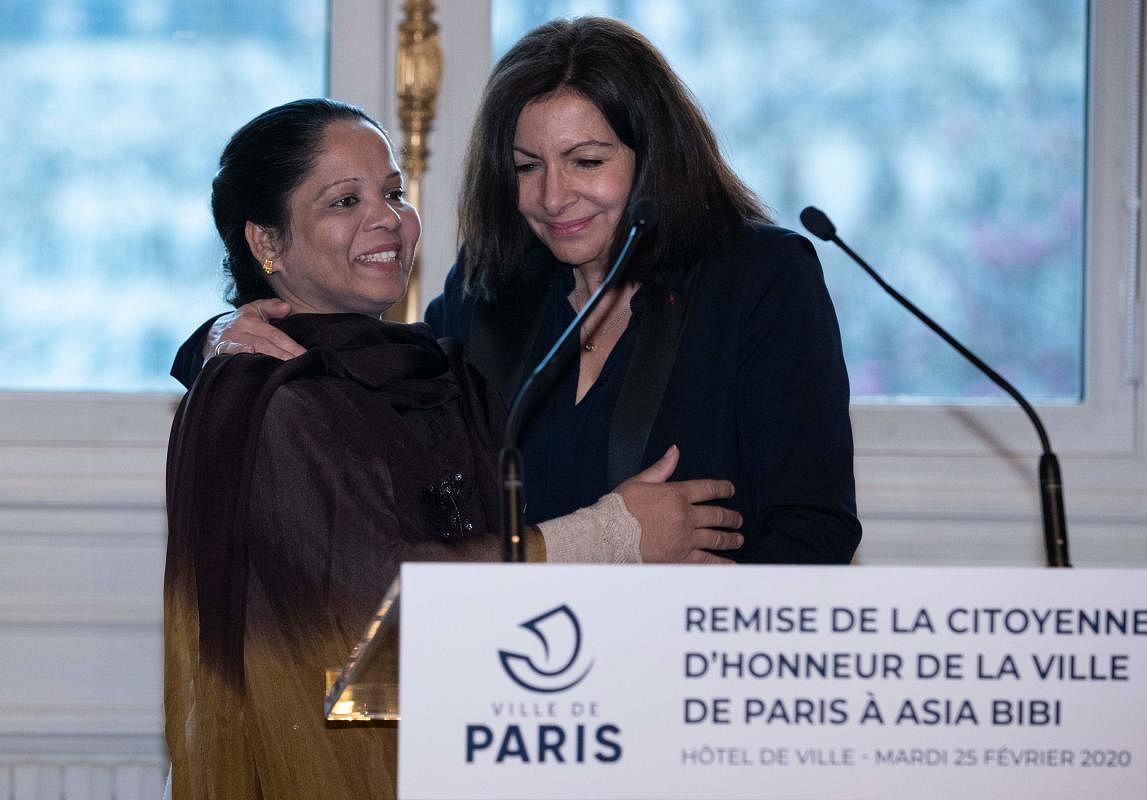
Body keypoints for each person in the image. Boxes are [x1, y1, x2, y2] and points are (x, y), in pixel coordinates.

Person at [165, 98, 742, 799]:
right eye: (344, 200)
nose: (387, 219)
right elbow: (384, 614)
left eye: (393, 193)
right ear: (267, 243)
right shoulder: (276, 399)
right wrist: (615, 533)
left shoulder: (423, 364)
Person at [174, 16, 861, 565]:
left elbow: (816, 529)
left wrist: (707, 605)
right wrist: (215, 339)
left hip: (701, 682)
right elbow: (371, 380)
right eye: (527, 167)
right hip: (522, 686)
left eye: (587, 162)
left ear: (654, 157)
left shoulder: (758, 278)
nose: (554, 196)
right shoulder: (494, 286)